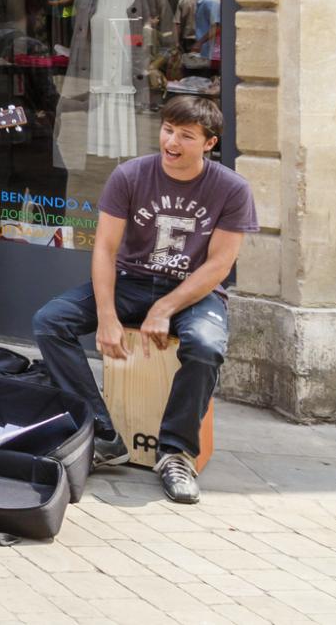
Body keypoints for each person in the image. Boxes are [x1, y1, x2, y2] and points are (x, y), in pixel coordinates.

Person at [33, 96, 253, 505]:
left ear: (209, 142)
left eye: (186, 136)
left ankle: (175, 452)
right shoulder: (130, 175)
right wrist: (106, 316)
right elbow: (104, 249)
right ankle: (103, 435)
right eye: (168, 130)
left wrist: (165, 307)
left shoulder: (231, 189)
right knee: (51, 320)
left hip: (193, 291)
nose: (172, 141)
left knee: (205, 346)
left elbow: (220, 265)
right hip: (131, 280)